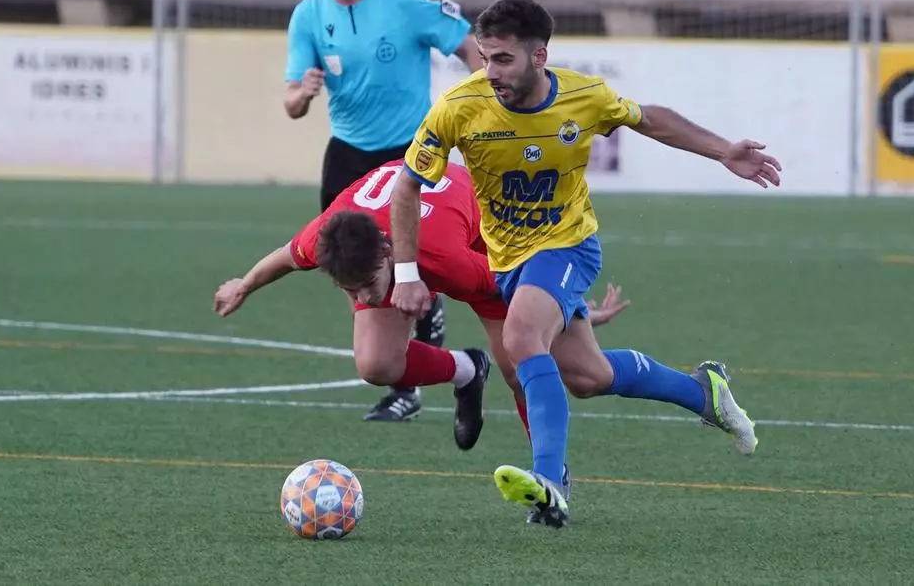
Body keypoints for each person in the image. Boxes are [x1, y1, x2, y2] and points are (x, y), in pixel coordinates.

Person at [388, 0, 783, 528]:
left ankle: (551, 482)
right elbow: (407, 186)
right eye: (485, 57)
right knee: (587, 376)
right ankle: (702, 392)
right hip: (508, 260)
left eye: (503, 59)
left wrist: (723, 151)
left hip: (568, 245)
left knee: (521, 337)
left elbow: (649, 119)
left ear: (539, 56)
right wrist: (407, 274)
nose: (491, 71)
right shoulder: (459, 107)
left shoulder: (584, 96)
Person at [212, 160, 632, 456]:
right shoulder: (325, 239)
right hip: (406, 229)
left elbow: (520, 283)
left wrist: (568, 308)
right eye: (350, 290)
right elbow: (287, 256)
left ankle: (549, 479)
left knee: (518, 366)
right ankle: (467, 369)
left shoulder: (449, 259)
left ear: (387, 253)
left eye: (367, 286)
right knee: (376, 364)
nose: (364, 299)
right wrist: (244, 285)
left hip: (477, 233)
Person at [283, 0, 483, 422]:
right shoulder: (308, 15)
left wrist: (486, 98)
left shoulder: (403, 2)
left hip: (412, 155)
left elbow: (466, 44)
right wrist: (302, 94)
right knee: (357, 270)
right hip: (348, 158)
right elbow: (291, 101)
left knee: (418, 269)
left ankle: (412, 377)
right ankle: (404, 383)